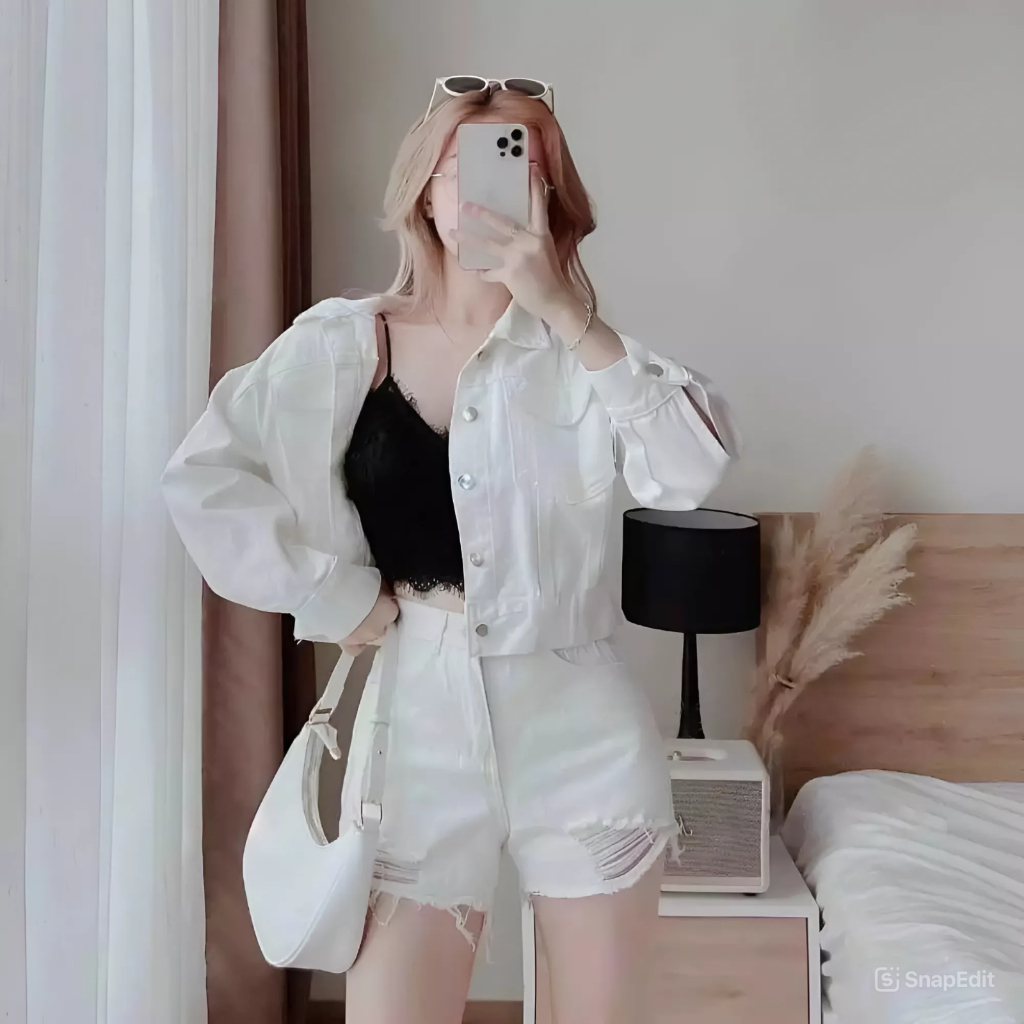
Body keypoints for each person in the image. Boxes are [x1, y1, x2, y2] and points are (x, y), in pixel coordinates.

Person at [161, 77, 739, 1024]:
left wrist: (568, 313)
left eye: (526, 165)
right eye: (466, 163)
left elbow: (690, 471)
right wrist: (337, 597)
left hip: (581, 721)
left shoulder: (585, 355)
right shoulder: (345, 345)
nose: (493, 185)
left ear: (551, 199)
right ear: (424, 191)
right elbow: (203, 478)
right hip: (414, 717)